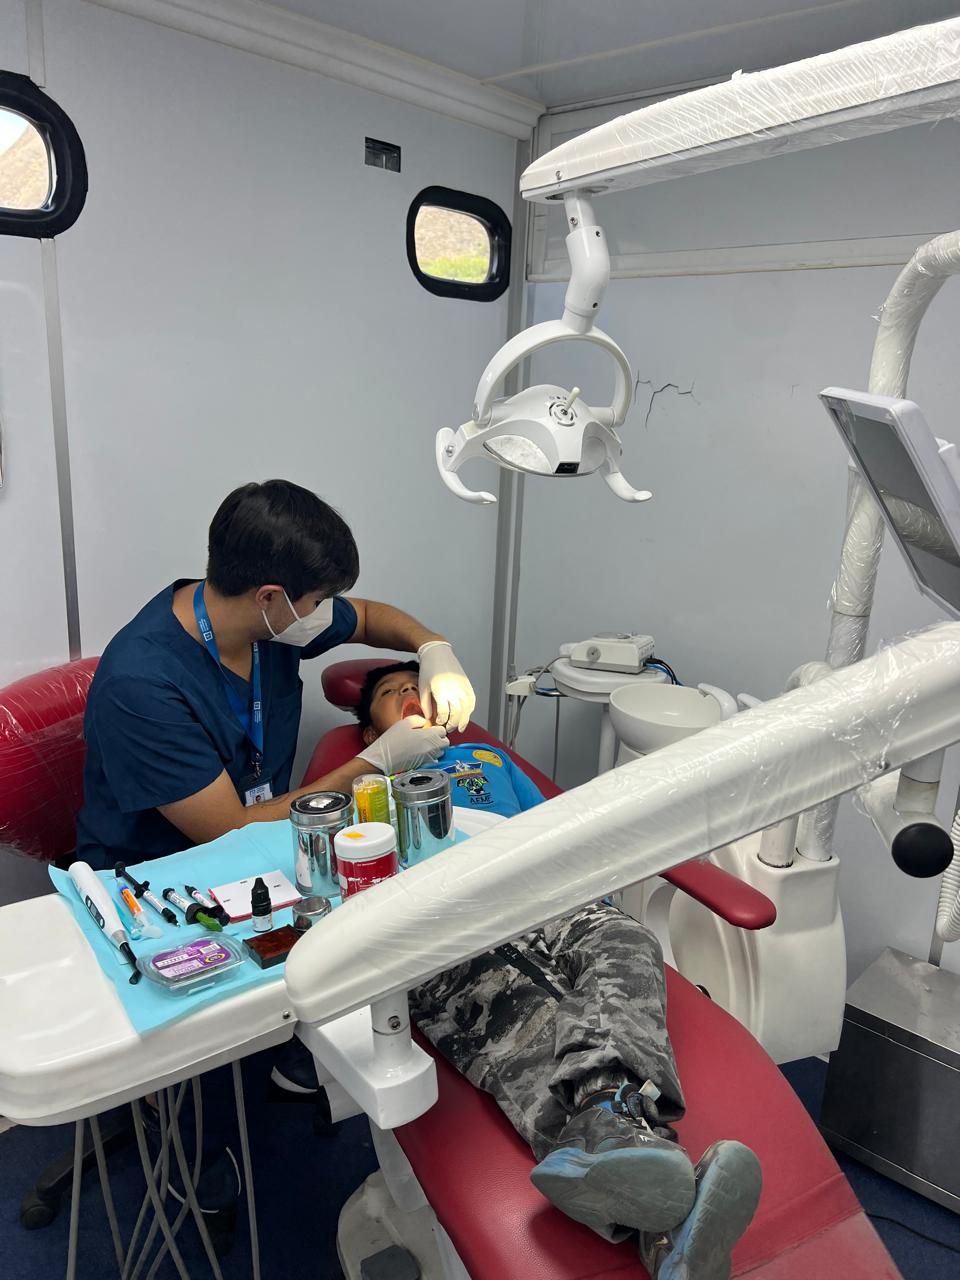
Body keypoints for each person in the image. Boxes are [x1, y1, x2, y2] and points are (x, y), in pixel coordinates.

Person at [352, 661, 763, 1280]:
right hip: (450, 928)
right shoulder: (369, 791)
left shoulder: (488, 759)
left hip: (543, 897)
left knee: (626, 938)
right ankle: (664, 1227)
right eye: (391, 694)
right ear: (369, 734)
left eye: (417, 686)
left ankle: (614, 1138)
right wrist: (380, 765)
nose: (410, 695)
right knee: (529, 1010)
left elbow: (559, 829)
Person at [77, 480, 471, 870]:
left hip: (267, 843)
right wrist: (377, 760)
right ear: (267, 597)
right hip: (162, 875)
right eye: (318, 600)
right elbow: (229, 831)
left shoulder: (265, 621)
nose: (324, 611)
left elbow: (366, 617)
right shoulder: (141, 685)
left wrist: (433, 647)